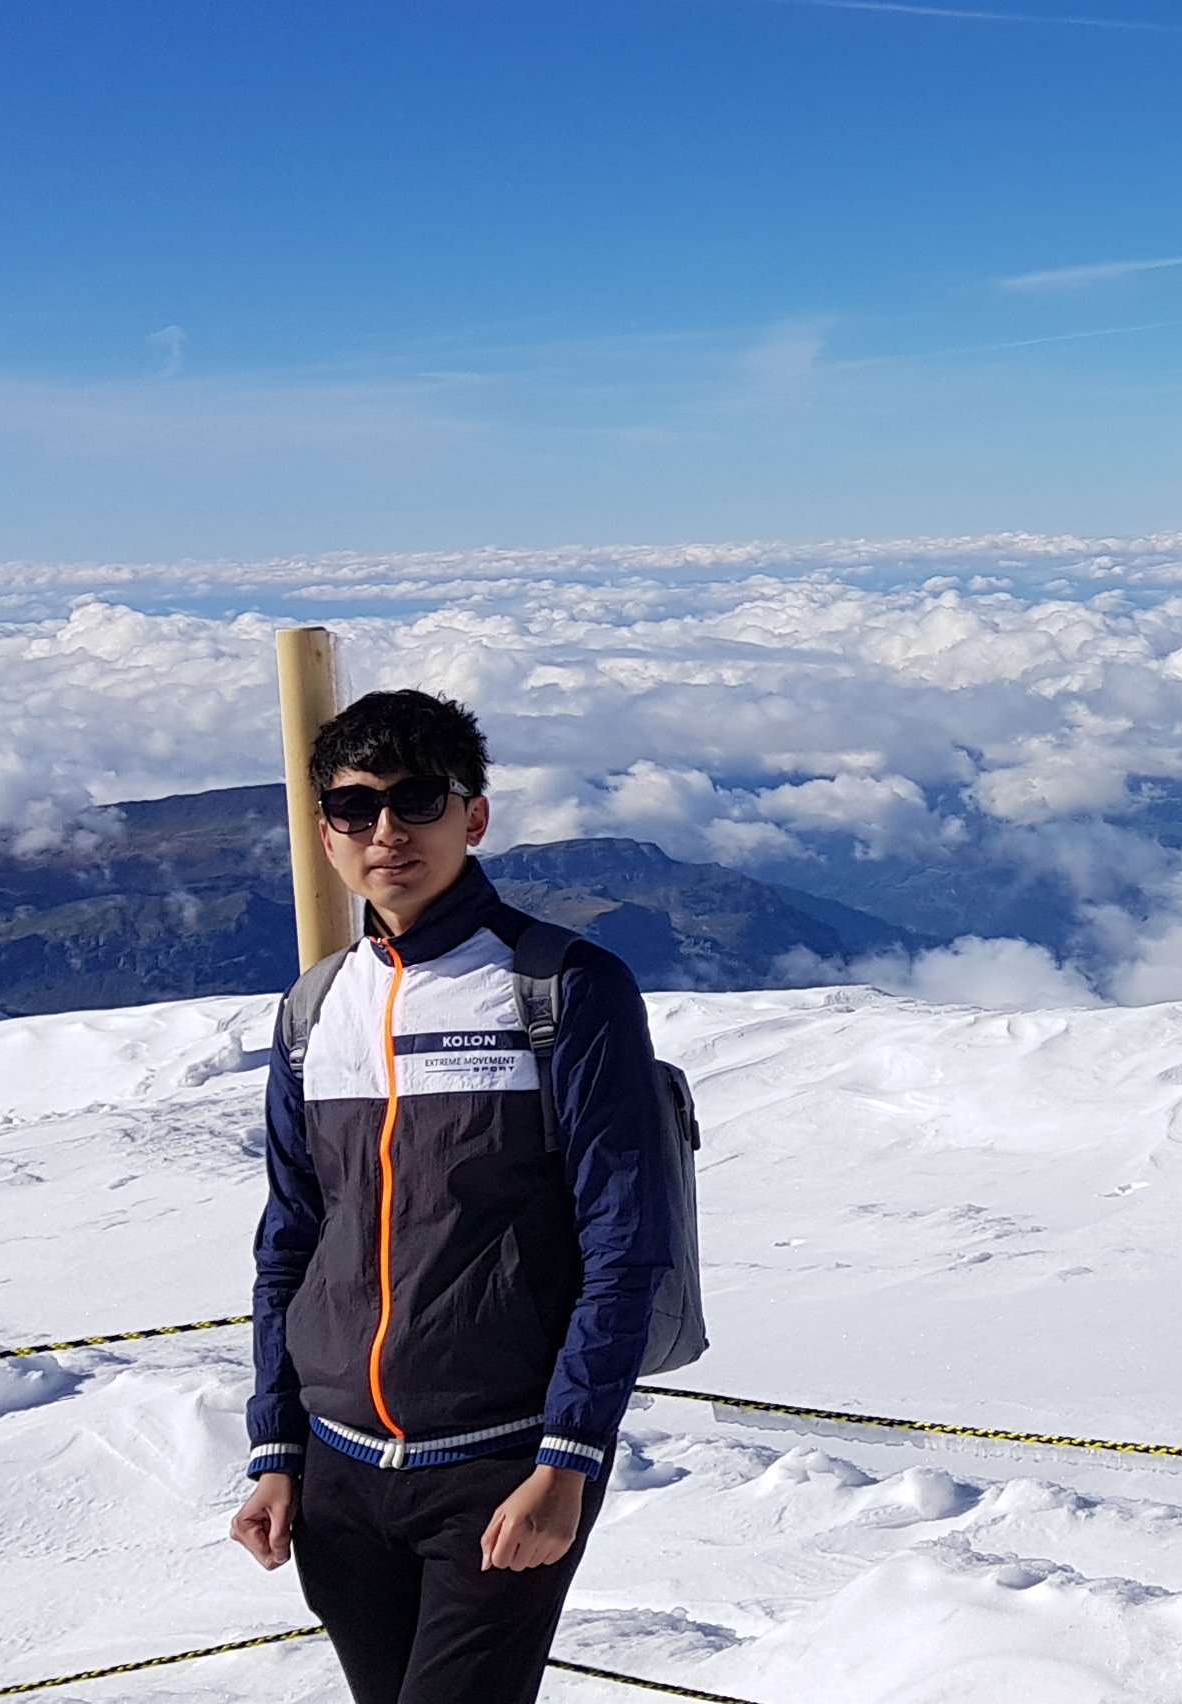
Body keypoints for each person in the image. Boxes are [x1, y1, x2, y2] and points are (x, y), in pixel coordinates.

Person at [227, 690, 677, 1704]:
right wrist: (277, 1448)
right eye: (355, 807)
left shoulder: (563, 987)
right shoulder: (314, 1009)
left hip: (503, 1466)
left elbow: (625, 1242)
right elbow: (291, 1240)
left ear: (473, 817)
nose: (386, 829)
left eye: (418, 800)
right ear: (325, 833)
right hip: (337, 1477)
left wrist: (568, 1460)